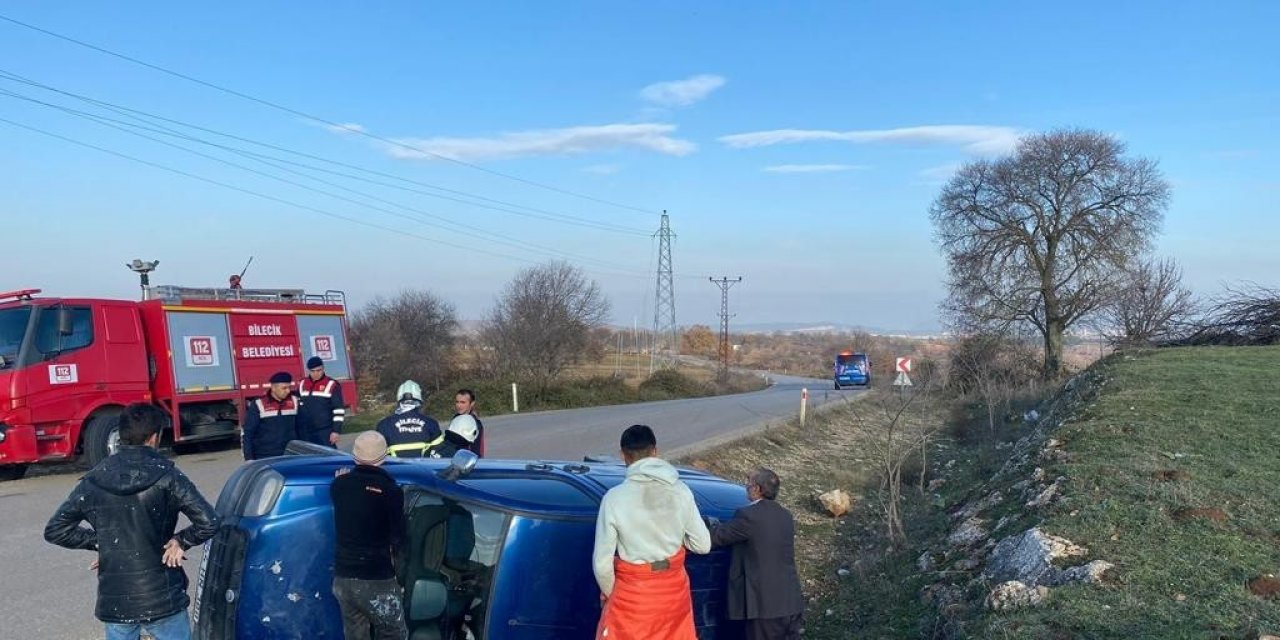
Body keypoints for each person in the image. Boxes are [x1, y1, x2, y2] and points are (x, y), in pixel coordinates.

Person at [44, 403, 219, 640]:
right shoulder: (168, 475)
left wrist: (105, 543)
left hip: (117, 601)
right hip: (162, 597)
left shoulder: (94, 479)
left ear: (122, 434)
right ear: (154, 437)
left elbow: (56, 529)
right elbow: (209, 521)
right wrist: (181, 541)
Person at [593, 424, 711, 640]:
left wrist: (613, 595)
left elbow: (602, 564)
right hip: (673, 594)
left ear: (623, 455)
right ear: (655, 451)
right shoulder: (680, 491)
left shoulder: (614, 498)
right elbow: (703, 545)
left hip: (633, 596)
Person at [711, 468, 806, 640]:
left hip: (764, 606)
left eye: (749, 482)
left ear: (757, 489)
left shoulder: (748, 516)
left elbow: (717, 537)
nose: (746, 486)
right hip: (791, 603)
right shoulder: (786, 516)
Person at [330, 431, 408, 640]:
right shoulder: (391, 491)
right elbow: (398, 538)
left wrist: (342, 481)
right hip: (375, 577)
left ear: (355, 456)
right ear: (384, 456)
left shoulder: (339, 485)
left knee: (356, 634)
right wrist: (401, 577)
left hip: (343, 578)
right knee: (393, 633)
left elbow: (347, 492)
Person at [375, 380, 446, 458]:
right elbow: (440, 452)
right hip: (423, 466)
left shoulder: (384, 425)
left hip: (394, 466)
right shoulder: (431, 423)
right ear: (419, 400)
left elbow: (376, 454)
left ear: (399, 400)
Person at [242, 371, 300, 460]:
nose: (288, 391)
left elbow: (302, 428)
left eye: (289, 387)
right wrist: (249, 458)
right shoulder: (259, 403)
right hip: (265, 455)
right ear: (273, 388)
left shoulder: (294, 401)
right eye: (284, 388)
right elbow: (248, 433)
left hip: (289, 454)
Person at [298, 356, 345, 447]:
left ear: (323, 368)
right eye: (312, 371)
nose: (316, 374)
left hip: (325, 431)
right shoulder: (302, 383)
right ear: (308, 371)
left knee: (329, 455)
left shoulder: (331, 384)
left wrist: (336, 431)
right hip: (306, 432)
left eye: (318, 370)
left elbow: (338, 409)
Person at [452, 389, 485, 456]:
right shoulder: (455, 418)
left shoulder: (475, 423)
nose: (459, 405)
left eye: (463, 402)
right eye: (457, 402)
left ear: (472, 403)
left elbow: (478, 449)